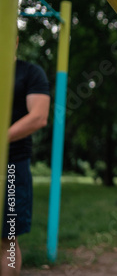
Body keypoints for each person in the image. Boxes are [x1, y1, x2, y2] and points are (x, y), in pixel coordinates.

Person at [1, 36, 50, 276]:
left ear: (15, 40)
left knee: (8, 239)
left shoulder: (30, 73)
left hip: (11, 168)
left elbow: (38, 117)